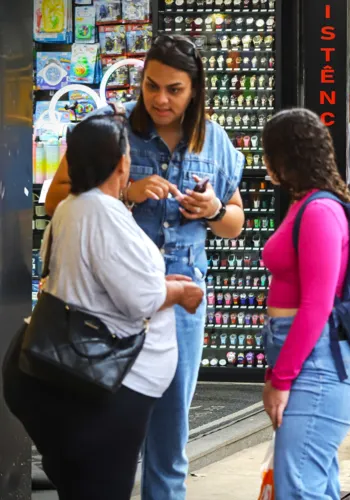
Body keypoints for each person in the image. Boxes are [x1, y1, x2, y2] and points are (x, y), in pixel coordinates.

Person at [43, 35, 246, 500]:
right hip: (109, 303)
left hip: (181, 305)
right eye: (151, 86)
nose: (160, 99)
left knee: (171, 438)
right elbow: (56, 199)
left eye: (174, 89)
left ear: (194, 89)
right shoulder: (111, 132)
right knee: (103, 429)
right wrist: (125, 191)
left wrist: (214, 209)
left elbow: (234, 224)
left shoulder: (214, 140)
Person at [3, 115, 204, 499]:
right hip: (106, 385)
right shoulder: (101, 212)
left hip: (77, 380)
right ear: (122, 162)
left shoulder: (73, 207)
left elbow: (100, 284)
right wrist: (179, 295)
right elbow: (140, 300)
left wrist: (161, 285)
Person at [256, 109, 350, 498]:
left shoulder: (319, 211)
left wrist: (282, 378)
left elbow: (316, 308)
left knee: (299, 489)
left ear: (285, 156)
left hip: (318, 367)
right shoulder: (305, 205)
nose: (264, 162)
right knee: (311, 486)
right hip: (306, 361)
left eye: (268, 152)